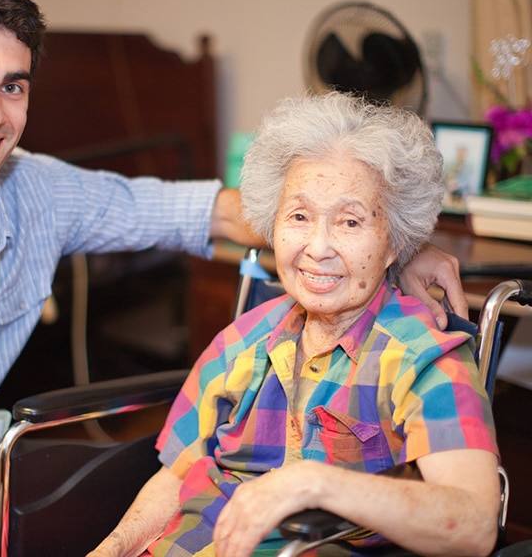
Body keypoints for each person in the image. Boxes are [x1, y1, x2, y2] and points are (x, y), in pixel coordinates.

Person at [0, 0, 466, 557]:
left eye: (12, 85)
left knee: (145, 516)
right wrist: (8, 545)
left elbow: (210, 211)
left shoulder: (38, 191)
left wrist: (388, 240)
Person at [89, 92, 500, 557]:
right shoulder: (241, 342)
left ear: (393, 245)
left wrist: (317, 483)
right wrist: (113, 549)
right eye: (299, 216)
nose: (317, 246)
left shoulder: (422, 358)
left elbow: (474, 523)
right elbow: (178, 475)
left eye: (349, 221)